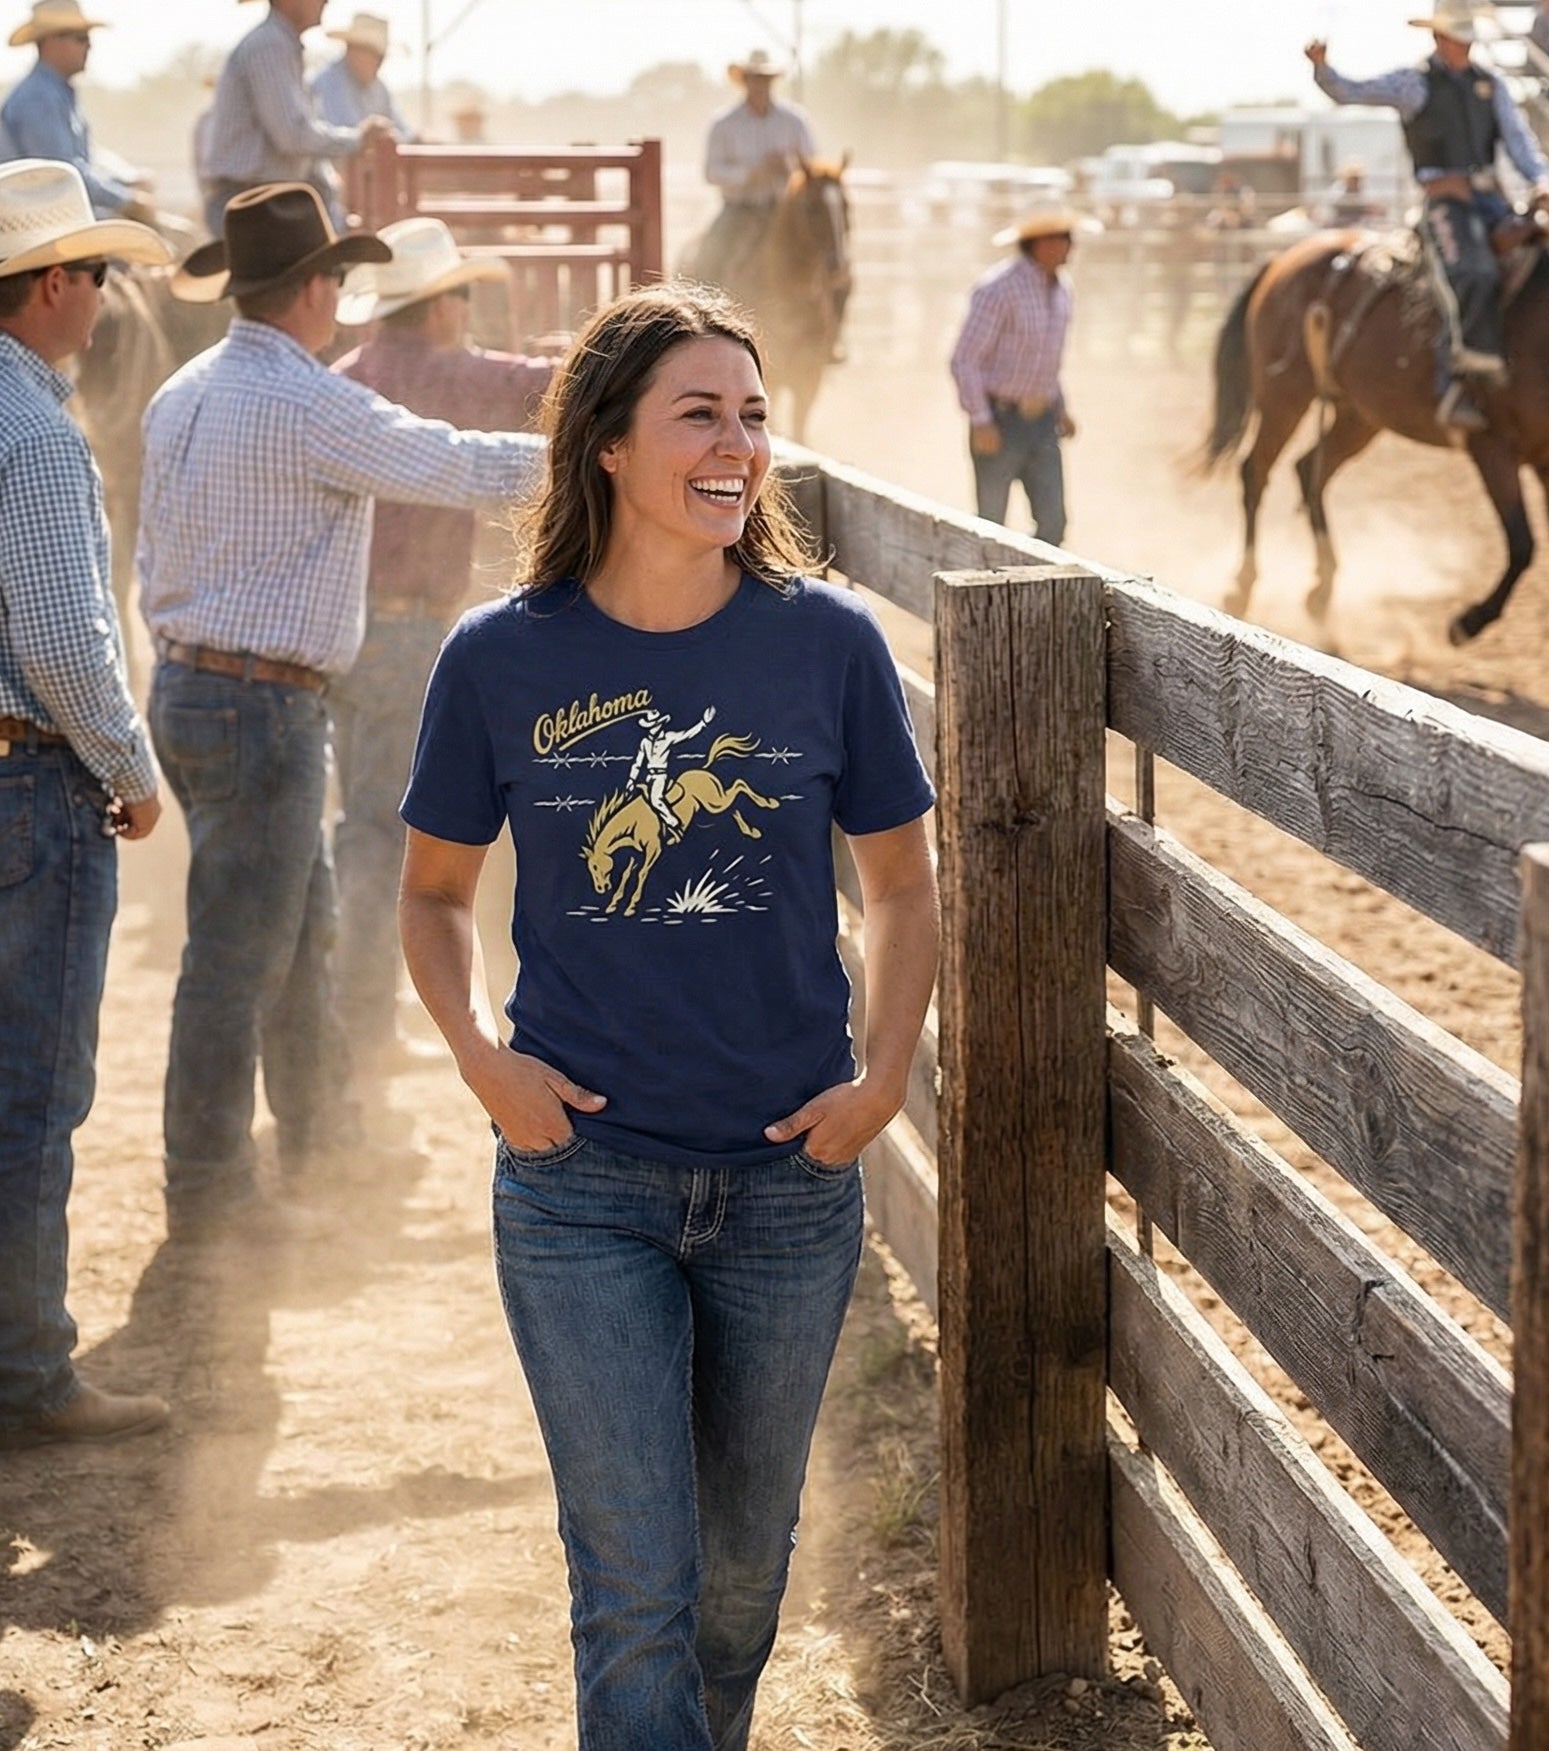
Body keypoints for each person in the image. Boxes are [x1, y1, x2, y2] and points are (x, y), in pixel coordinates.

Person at [397, 282, 937, 1751]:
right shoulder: (497, 656)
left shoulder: (826, 645)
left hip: (786, 1181)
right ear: (607, 443)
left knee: (739, 1589)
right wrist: (481, 1057)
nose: (737, 445)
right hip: (580, 1181)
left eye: (751, 415)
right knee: (637, 1589)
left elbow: (900, 886)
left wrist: (882, 1078)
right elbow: (435, 895)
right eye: (698, 414)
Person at [135, 183, 543, 1243]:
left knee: (291, 920)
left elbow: (150, 540)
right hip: (260, 699)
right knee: (241, 951)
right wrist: (600, 460)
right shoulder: (307, 402)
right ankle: (210, 1189)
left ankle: (318, 1137)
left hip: (191, 682)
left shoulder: (183, 391)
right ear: (315, 289)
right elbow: (453, 463)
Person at [0, 159, 172, 1448]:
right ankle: (26, 1372)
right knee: (34, 1088)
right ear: (53, 282)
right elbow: (64, 639)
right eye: (100, 274)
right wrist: (129, 767)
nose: (108, 299)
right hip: (29, 780)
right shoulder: (38, 434)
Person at [328, 216, 555, 1074]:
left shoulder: (347, 377)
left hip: (348, 628)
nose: (464, 312)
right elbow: (552, 382)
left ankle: (360, 1017)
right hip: (410, 630)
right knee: (400, 834)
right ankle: (368, 1030)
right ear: (439, 305)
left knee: (363, 823)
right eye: (458, 296)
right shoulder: (456, 374)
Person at [1308, 2, 1549, 435]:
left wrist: (1541, 182)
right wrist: (1323, 69)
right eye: (1460, 37)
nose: (1467, 45)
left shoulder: (1491, 85)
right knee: (1471, 271)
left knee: (1547, 260)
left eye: (1468, 38)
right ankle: (1454, 381)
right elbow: (1352, 92)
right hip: (1445, 202)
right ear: (1440, 38)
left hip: (1492, 200)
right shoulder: (1414, 83)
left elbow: (1520, 142)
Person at [949, 202, 1095, 547]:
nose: (1070, 247)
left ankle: (1025, 573)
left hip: (1041, 420)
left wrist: (1060, 407)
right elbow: (965, 359)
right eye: (1064, 238)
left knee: (1054, 523)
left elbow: (1047, 359)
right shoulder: (999, 289)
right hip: (1000, 418)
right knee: (991, 525)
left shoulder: (1062, 290)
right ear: (1042, 243)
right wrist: (982, 420)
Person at [200, 0, 391, 237]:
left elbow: (299, 141)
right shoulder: (270, 46)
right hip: (252, 203)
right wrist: (358, 140)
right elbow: (292, 136)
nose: (325, 1)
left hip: (261, 199)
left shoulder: (281, 47)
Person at [1, 1, 150, 219]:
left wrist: (126, 183)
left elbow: (79, 163)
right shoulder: (39, 98)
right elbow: (61, 176)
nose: (89, 46)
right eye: (81, 38)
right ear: (52, 42)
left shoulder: (53, 93)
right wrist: (125, 200)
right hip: (42, 223)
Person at [692, 47, 814, 288]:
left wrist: (788, 166)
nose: (760, 85)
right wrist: (749, 175)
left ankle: (828, 304)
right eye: (755, 79)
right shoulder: (724, 123)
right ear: (745, 82)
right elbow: (711, 171)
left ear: (772, 82)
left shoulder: (794, 121)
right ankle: (705, 301)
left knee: (819, 253)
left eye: (765, 79)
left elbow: (811, 164)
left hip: (783, 209)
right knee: (709, 258)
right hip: (739, 209)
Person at [311, 10, 412, 139]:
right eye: (374, 54)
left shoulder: (379, 88)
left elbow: (402, 131)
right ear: (352, 49)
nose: (379, 63)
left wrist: (415, 138)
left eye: (381, 56)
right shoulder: (326, 84)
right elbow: (333, 140)